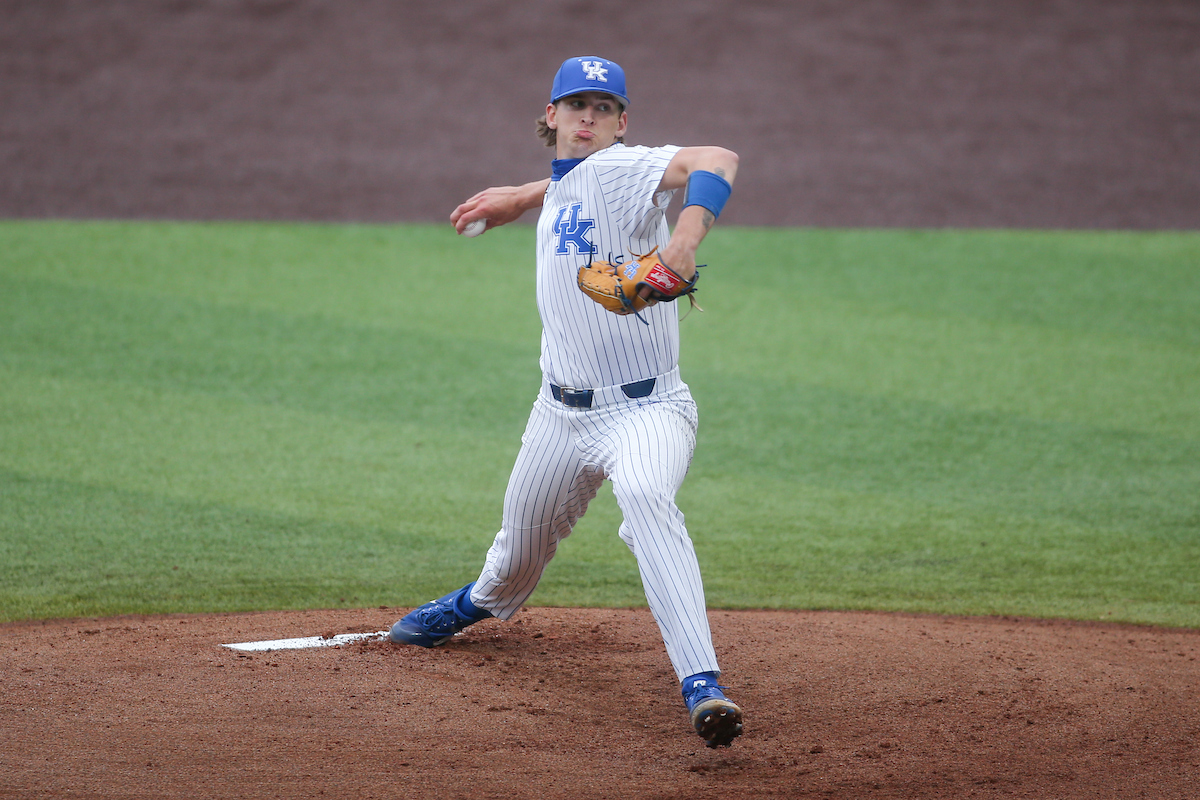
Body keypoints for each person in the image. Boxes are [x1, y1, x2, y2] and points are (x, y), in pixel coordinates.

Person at [389, 56, 742, 749]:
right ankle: (475, 604)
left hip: (647, 411)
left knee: (646, 498)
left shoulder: (622, 170)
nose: (589, 116)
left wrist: (683, 239)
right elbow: (567, 185)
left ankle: (702, 684)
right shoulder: (567, 182)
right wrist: (524, 197)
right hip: (558, 416)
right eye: (576, 104)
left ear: (622, 124)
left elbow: (717, 159)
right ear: (550, 116)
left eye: (604, 108)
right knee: (515, 560)